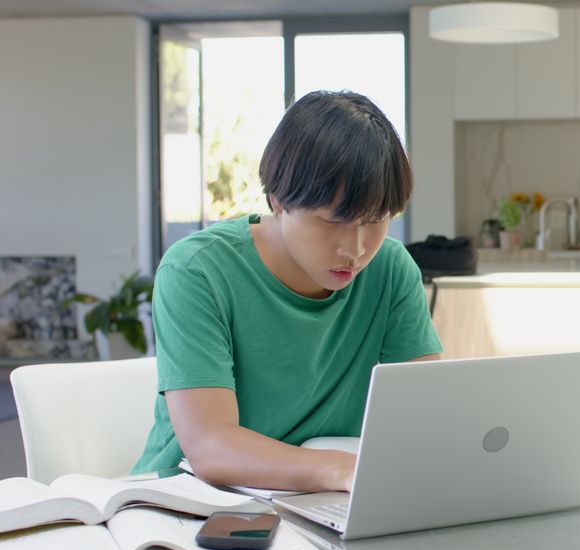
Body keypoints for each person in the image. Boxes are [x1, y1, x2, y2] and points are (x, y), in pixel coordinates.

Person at [131, 91, 443, 492]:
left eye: (376, 221)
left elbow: (426, 413)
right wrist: (342, 470)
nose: (356, 249)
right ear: (277, 200)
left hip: (322, 499)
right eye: (332, 221)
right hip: (197, 505)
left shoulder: (390, 268)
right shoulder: (197, 271)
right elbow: (210, 446)